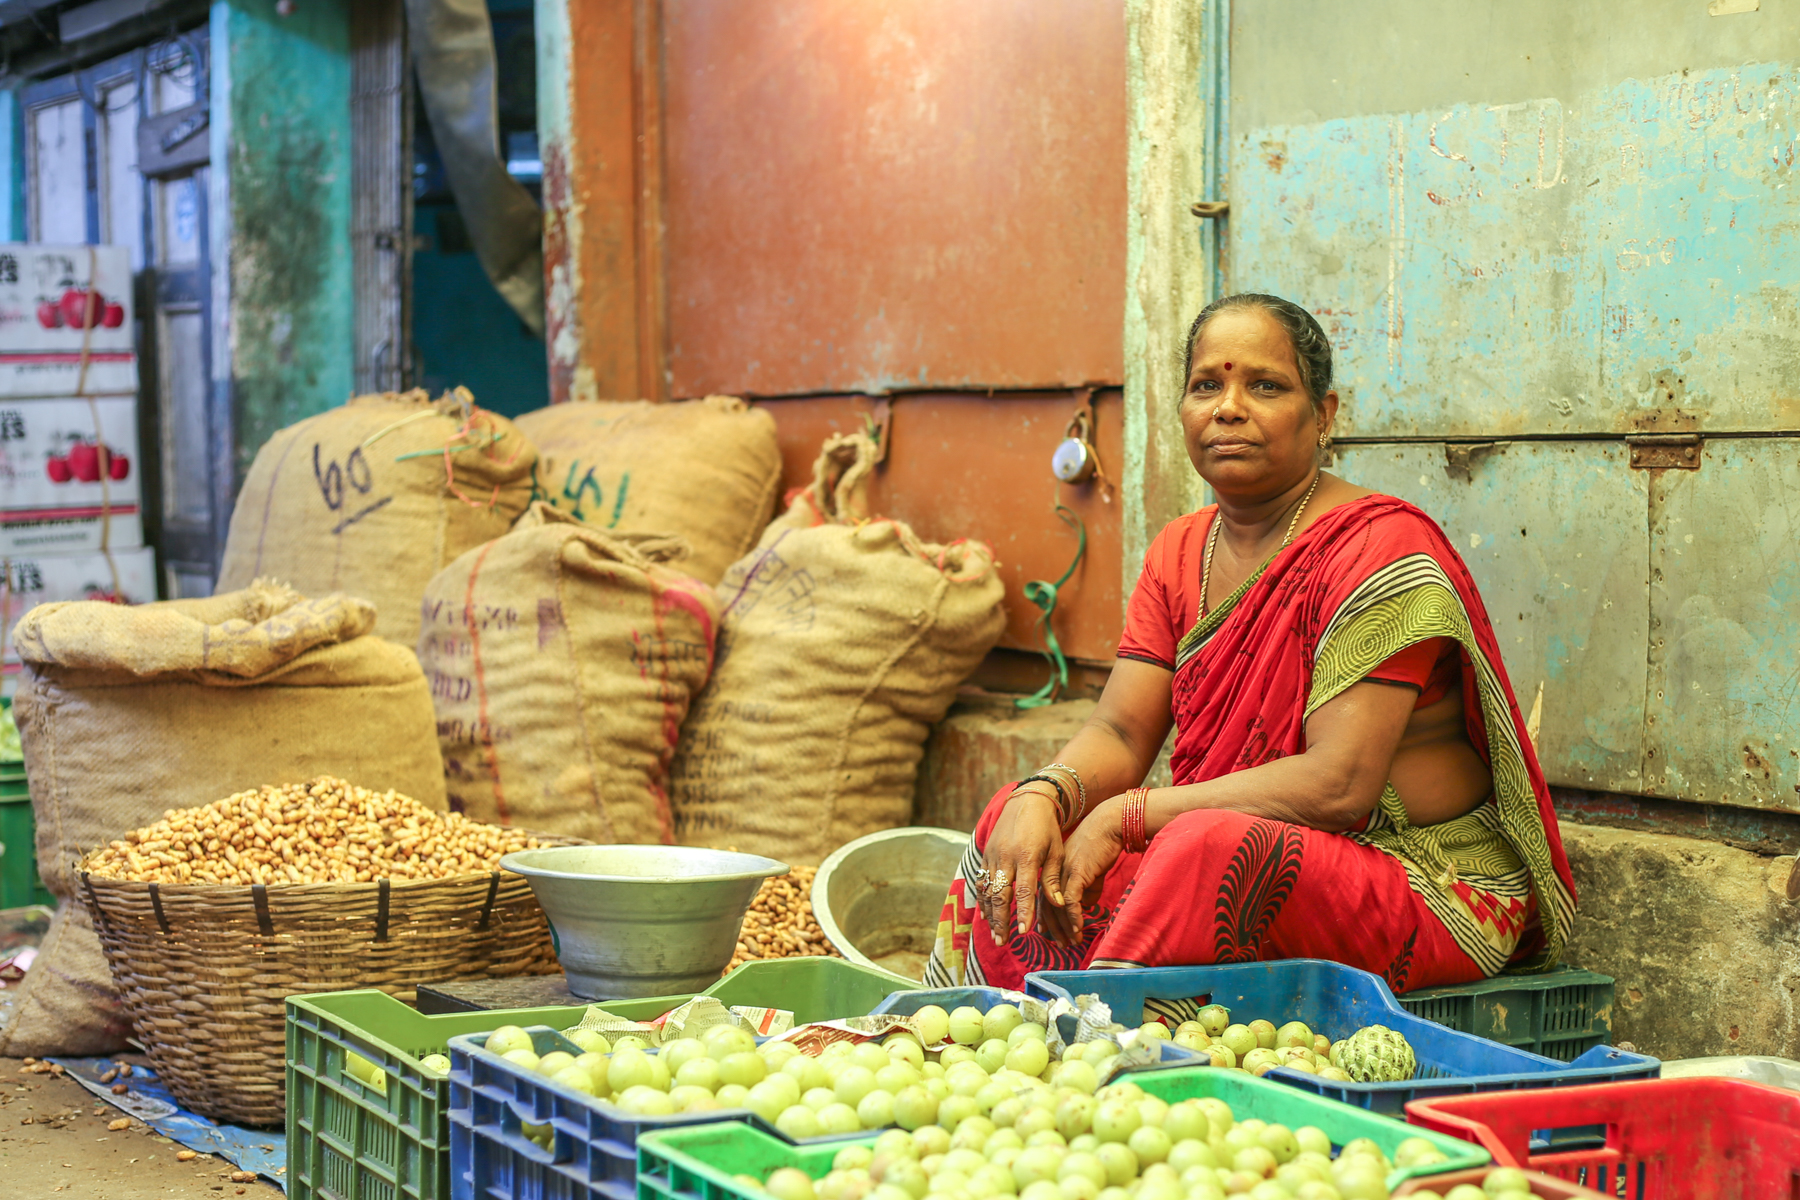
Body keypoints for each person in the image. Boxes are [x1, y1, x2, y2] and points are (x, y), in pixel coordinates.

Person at [924, 293, 1577, 994]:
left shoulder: (1380, 550)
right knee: (1017, 823)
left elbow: (1338, 786)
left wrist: (1130, 815)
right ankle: (989, 1027)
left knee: (1205, 848)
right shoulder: (1180, 551)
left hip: (1422, 880)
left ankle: (1102, 1043)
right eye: (1207, 385)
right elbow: (1119, 728)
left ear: (1323, 415)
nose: (1228, 408)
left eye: (1265, 386)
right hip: (1247, 855)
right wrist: (1045, 796)